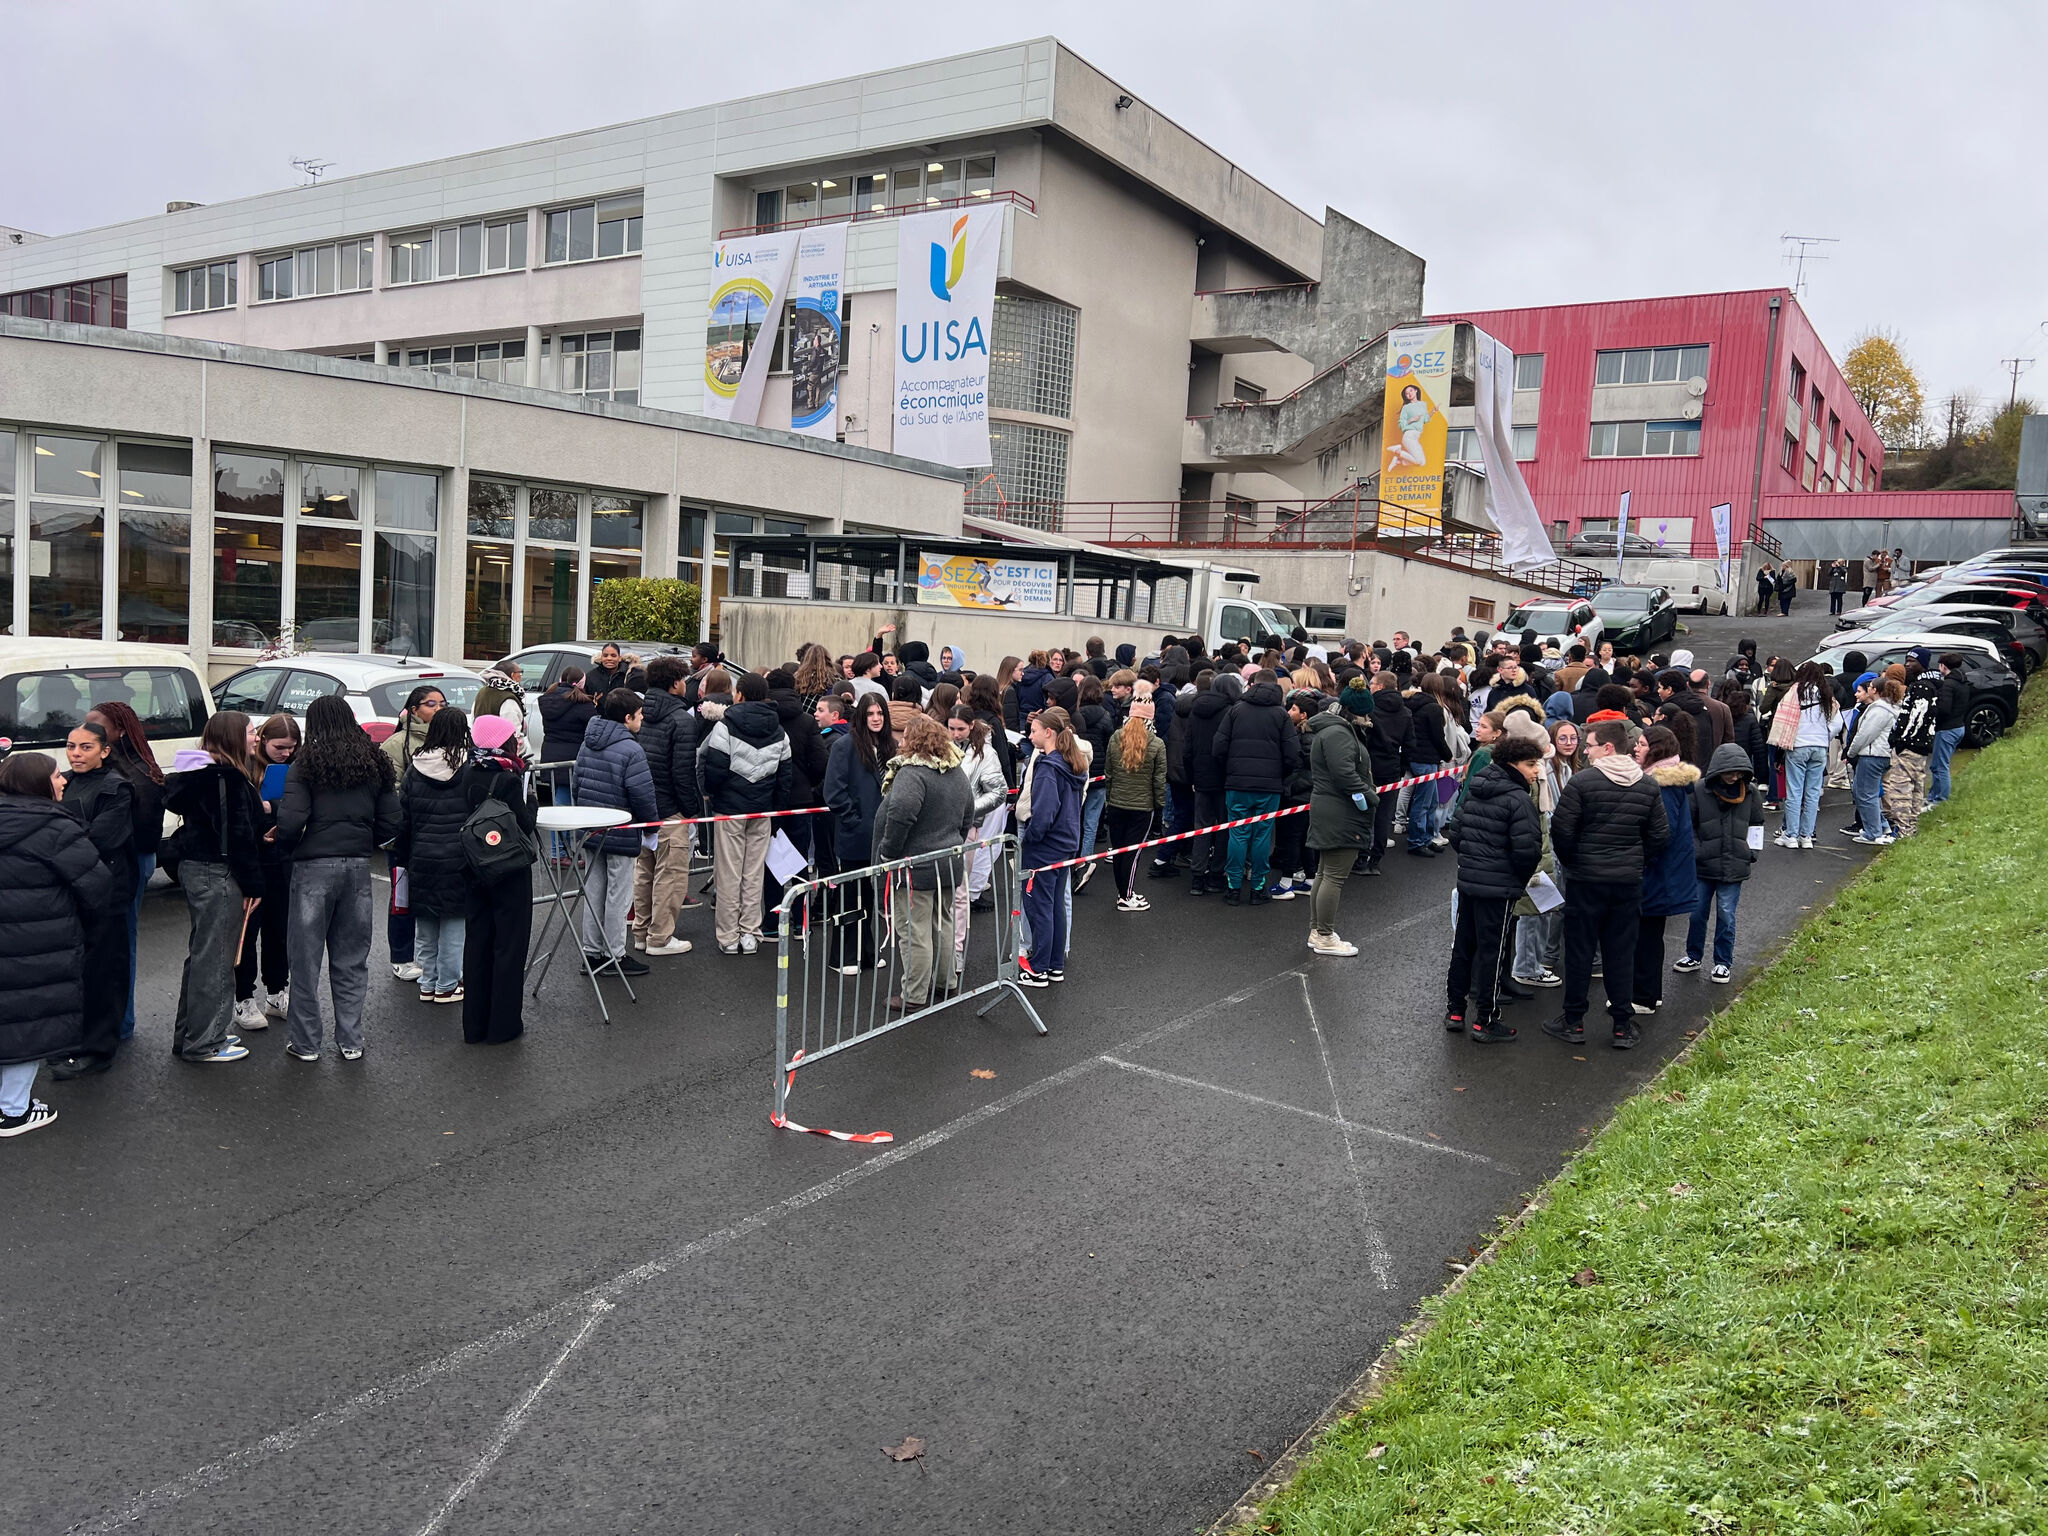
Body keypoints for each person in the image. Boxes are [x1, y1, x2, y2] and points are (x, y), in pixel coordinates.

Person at [277, 696, 402, 1061]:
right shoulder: (374, 762)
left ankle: (306, 1043)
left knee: (304, 961)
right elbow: (392, 822)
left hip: (312, 867)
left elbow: (290, 822)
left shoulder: (305, 764)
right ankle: (351, 1040)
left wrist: (285, 846)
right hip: (358, 867)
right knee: (351, 959)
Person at [0, 751, 118, 1136]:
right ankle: (13, 1111)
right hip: (39, 945)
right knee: (28, 1023)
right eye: (55, 776)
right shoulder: (54, 827)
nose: (63, 780)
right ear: (37, 783)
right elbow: (96, 886)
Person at [1545, 718, 1669, 1051]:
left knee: (1579, 951)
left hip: (1586, 880)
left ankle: (1573, 1020)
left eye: (1590, 745)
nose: (1585, 751)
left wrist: (1574, 862)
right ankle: (1622, 1025)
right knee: (1621, 952)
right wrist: (1637, 861)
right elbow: (1659, 835)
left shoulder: (1582, 783)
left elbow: (1562, 830)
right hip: (1627, 882)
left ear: (1608, 747)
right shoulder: (1647, 786)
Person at [163, 712, 266, 1065]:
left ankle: (191, 1034)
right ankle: (207, 1042)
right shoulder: (227, 778)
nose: (256, 738)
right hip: (219, 872)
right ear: (234, 737)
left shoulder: (196, 774)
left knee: (202, 954)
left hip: (196, 868)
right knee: (217, 958)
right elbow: (238, 837)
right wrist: (254, 884)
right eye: (251, 732)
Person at [1444, 735, 1545, 1042]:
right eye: (1531, 764)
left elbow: (1456, 833)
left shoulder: (1476, 788)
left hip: (1470, 882)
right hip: (1499, 889)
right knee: (1493, 953)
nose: (1536, 771)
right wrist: (1515, 879)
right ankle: (1485, 1020)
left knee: (1463, 948)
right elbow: (1527, 851)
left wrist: (1473, 862)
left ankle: (1455, 1010)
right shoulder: (1519, 799)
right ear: (1513, 764)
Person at [872, 714, 975, 1009]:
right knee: (942, 924)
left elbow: (901, 813)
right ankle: (946, 983)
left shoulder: (912, 773)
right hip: (947, 861)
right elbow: (967, 814)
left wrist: (888, 852)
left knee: (914, 931)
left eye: (904, 736)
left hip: (914, 866)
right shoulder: (955, 771)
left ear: (914, 740)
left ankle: (914, 994)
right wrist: (952, 841)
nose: (900, 741)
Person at [51, 720, 136, 1079]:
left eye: (86, 747)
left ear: (104, 750)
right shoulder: (63, 782)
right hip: (69, 891)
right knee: (72, 970)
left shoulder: (117, 788)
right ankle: (70, 1042)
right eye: (71, 746)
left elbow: (100, 839)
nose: (76, 753)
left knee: (103, 972)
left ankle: (98, 1049)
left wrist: (59, 838)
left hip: (107, 893)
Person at [83, 700, 164, 1045]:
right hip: (125, 860)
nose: (88, 731)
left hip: (128, 862)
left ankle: (120, 1022)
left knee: (120, 942)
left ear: (118, 731)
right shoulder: (131, 763)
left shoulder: (130, 773)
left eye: (97, 727)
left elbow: (142, 830)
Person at [455, 714, 539, 1044]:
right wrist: (532, 799)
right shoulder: (507, 778)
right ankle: (503, 1025)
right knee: (509, 945)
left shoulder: (466, 771)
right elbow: (525, 823)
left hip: (474, 865)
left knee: (477, 942)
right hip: (508, 868)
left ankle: (474, 1025)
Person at [698, 672, 795, 956]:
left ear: (739, 694)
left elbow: (715, 770)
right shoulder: (779, 730)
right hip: (762, 811)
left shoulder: (725, 726)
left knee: (729, 874)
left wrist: (714, 796)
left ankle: (729, 936)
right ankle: (750, 933)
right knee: (754, 873)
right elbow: (784, 777)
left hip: (730, 811)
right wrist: (775, 809)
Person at [394, 706, 476, 1005]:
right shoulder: (470, 768)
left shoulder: (416, 767)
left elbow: (404, 818)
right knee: (454, 927)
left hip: (422, 857)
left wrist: (402, 856)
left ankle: (427, 983)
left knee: (425, 927)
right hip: (458, 858)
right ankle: (448, 985)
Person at [574, 688, 657, 975]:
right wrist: (652, 826)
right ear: (627, 717)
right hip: (621, 830)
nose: (642, 719)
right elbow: (642, 794)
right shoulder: (632, 749)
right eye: (640, 715)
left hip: (591, 827)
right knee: (618, 896)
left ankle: (592, 952)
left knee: (594, 892)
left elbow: (577, 783)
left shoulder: (587, 742)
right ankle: (614, 955)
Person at [631, 655, 702, 958]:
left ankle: (642, 931)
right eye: (683, 679)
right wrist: (690, 809)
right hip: (671, 807)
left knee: (645, 870)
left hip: (645, 804)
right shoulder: (682, 720)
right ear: (675, 683)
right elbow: (682, 772)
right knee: (670, 874)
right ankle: (660, 937)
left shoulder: (642, 713)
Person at [233, 713, 300, 1034]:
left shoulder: (296, 769)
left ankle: (276, 992)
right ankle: (244, 998)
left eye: (292, 747)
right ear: (263, 740)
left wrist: (275, 806)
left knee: (279, 930)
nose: (286, 753)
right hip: (252, 861)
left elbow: (304, 809)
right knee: (247, 933)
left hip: (283, 861)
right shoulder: (244, 767)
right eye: (279, 747)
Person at [1676, 743, 1764, 985]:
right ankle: (1693, 955)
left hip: (1734, 865)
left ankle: (1723, 962)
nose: (1734, 777)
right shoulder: (1699, 790)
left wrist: (1752, 852)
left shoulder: (1751, 792)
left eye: (1738, 773)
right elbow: (1688, 825)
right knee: (1697, 914)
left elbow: (1757, 823)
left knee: (1726, 915)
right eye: (1730, 773)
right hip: (1703, 866)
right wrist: (1696, 852)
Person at [1303, 680, 1379, 957]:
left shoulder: (1334, 729)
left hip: (1331, 807)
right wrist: (1369, 796)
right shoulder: (1340, 733)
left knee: (1324, 874)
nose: (1369, 719)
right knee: (1333, 877)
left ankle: (1318, 931)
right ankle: (1324, 935)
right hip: (1341, 810)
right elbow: (1344, 773)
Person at [821, 694, 894, 974]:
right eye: (870, 714)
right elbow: (834, 792)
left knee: (870, 896)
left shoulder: (889, 746)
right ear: (861, 717)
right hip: (855, 834)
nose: (876, 718)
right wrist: (855, 821)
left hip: (880, 836)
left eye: (880, 713)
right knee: (850, 897)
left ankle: (866, 953)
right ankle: (842, 957)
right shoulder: (845, 746)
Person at [1631, 725, 1700, 1017]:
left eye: (1642, 744)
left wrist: (1639, 859)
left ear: (1656, 750)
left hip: (1656, 872)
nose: (1636, 748)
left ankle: (1643, 997)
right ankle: (1650, 993)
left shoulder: (1661, 785)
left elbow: (1662, 832)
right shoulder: (1669, 781)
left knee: (1645, 934)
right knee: (1650, 932)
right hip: (1663, 871)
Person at [1213, 669, 1299, 903]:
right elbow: (1292, 753)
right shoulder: (1281, 714)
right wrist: (1281, 775)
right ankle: (1258, 887)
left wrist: (1229, 771)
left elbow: (1218, 747)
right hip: (1269, 786)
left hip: (1237, 783)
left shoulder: (1236, 710)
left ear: (1252, 684)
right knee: (1262, 835)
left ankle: (1233, 888)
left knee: (1237, 834)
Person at [1015, 707, 1086, 986]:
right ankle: (1054, 965)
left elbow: (1043, 812)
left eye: (1033, 731)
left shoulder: (1047, 767)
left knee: (1040, 906)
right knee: (1054, 905)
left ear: (1048, 732)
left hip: (1045, 846)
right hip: (1066, 843)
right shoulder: (1070, 764)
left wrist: (1030, 837)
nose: (1029, 735)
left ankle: (1039, 967)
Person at [381, 683, 445, 982]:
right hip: (405, 834)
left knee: (439, 895)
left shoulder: (448, 739)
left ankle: (436, 956)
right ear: (414, 709)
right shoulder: (396, 744)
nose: (438, 709)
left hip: (438, 833)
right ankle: (401, 956)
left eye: (442, 704)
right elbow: (388, 790)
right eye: (432, 704)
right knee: (403, 897)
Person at [1103, 697, 1167, 913]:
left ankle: (1123, 892)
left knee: (1119, 851)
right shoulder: (1157, 744)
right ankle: (1126, 896)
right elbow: (1159, 780)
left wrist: (1110, 798)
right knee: (1133, 853)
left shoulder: (1116, 738)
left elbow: (1109, 773)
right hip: (1142, 807)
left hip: (1116, 803)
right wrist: (1159, 805)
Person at [949, 707, 1010, 922]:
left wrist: (969, 810)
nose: (955, 734)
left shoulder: (986, 753)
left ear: (972, 725)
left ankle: (958, 938)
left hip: (969, 825)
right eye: (951, 728)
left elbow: (999, 791)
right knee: (947, 887)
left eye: (961, 729)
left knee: (961, 888)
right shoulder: (944, 747)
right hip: (945, 825)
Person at [1774, 661, 1841, 848]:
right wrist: (1825, 736)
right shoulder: (1826, 693)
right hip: (1819, 747)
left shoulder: (1794, 691)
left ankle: (1791, 835)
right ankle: (1807, 836)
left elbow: (1782, 720)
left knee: (1794, 792)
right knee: (1813, 793)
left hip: (1798, 745)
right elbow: (1838, 722)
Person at [1185, 671, 1239, 894]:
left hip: (1201, 777)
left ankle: (1197, 877)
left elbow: (1188, 749)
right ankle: (1216, 875)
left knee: (1201, 827)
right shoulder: (1231, 712)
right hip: (1224, 778)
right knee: (1224, 827)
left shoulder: (1195, 710)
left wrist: (1192, 777)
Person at [1069, 674, 1113, 893]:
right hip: (1099, 775)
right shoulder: (1106, 716)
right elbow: (1108, 744)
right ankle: (1084, 862)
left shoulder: (1075, 717)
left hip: (1079, 773)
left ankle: (1070, 857)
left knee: (1074, 818)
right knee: (1092, 821)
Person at [1885, 662, 1938, 839]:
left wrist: (1900, 740)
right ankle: (1911, 826)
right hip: (1922, 747)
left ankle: (1902, 829)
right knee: (1916, 786)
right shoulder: (1932, 688)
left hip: (1907, 746)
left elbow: (1914, 717)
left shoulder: (1919, 689)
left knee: (1901, 789)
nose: (1908, 664)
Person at [1844, 671, 1898, 845]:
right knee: (1867, 793)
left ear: (1874, 690)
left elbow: (1865, 734)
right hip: (1880, 754)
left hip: (1873, 755)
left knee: (1865, 794)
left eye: (1870, 687)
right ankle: (1879, 827)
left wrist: (1851, 752)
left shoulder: (1879, 710)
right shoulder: (1888, 707)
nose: (1868, 688)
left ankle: (1873, 832)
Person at [1403, 673, 1454, 857]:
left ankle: (1425, 837)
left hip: (1416, 755)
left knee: (1431, 801)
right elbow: (1437, 736)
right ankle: (1417, 840)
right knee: (1424, 802)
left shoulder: (1412, 703)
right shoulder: (1433, 708)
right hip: (1426, 758)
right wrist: (1448, 755)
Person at [1926, 653, 1970, 805]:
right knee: (1937, 765)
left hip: (1947, 729)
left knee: (1940, 766)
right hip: (1959, 727)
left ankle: (1940, 800)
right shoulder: (1963, 681)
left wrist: (1932, 711)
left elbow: (1944, 709)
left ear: (1943, 666)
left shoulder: (1948, 685)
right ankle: (1932, 796)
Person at [472, 661, 532, 757]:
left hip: (481, 753)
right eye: (520, 673)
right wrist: (523, 749)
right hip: (502, 756)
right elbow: (514, 734)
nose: (521, 677)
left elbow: (473, 722)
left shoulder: (482, 692)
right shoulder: (508, 699)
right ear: (512, 675)